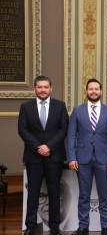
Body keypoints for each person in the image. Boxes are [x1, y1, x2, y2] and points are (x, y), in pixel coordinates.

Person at [18, 75, 69, 235]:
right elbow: (22, 130)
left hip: (54, 156)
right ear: (34, 89)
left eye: (45, 87)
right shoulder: (26, 107)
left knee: (54, 191)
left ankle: (55, 227)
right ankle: (31, 226)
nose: (42, 90)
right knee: (32, 192)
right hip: (34, 156)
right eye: (39, 87)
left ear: (51, 89)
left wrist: (49, 146)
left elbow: (63, 129)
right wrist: (39, 147)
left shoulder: (60, 106)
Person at [67, 78, 107, 235]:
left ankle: (105, 227)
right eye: (91, 89)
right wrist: (72, 157)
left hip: (104, 160)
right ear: (86, 91)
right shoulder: (77, 110)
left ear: (101, 91)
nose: (94, 91)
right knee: (84, 195)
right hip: (82, 159)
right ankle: (83, 227)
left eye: (96, 89)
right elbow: (71, 135)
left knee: (104, 195)